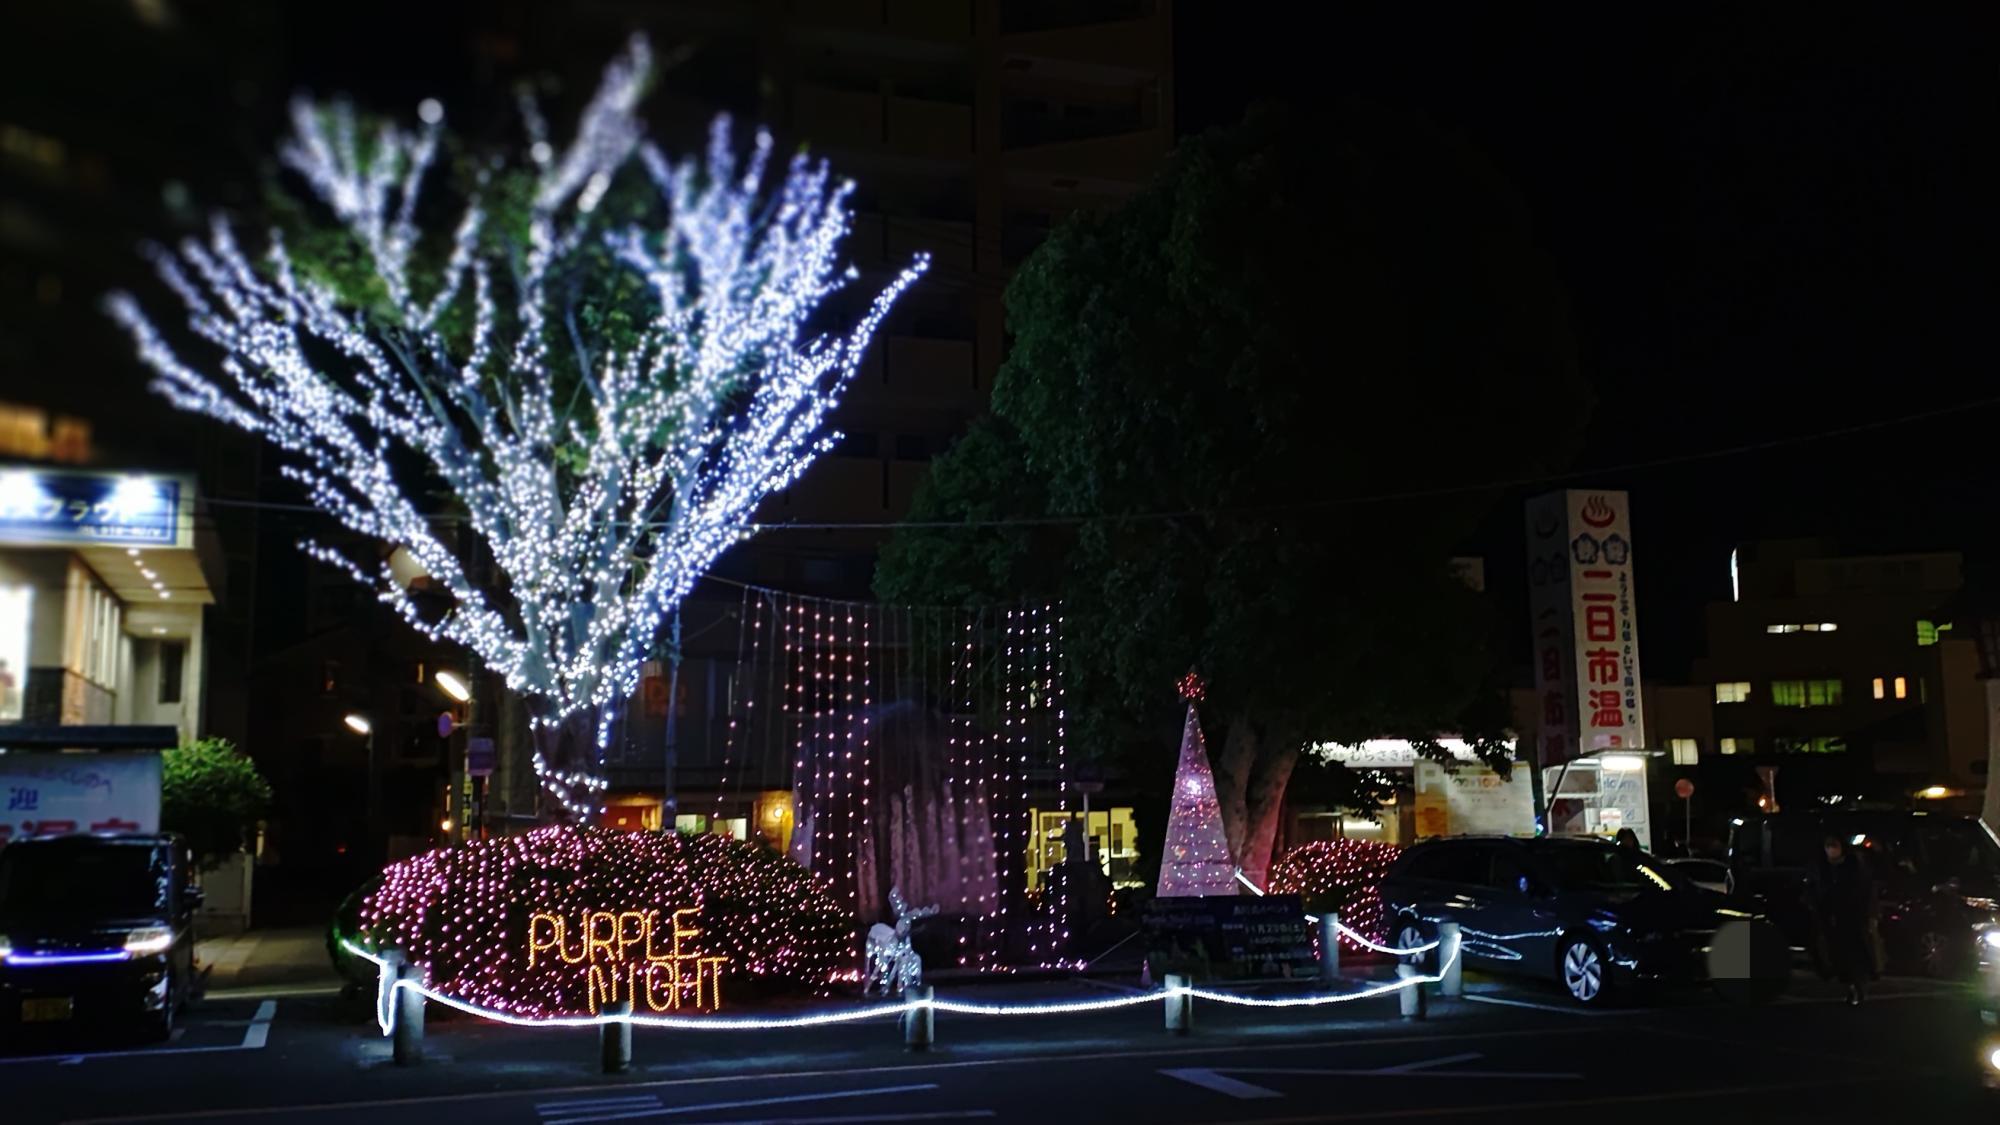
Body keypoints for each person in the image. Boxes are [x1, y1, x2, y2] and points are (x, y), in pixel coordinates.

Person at [1804, 833, 1875, 1005]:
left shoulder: (1852, 866)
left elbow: (1863, 890)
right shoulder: (1821, 867)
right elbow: (1814, 889)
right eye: (1828, 846)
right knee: (1836, 952)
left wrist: (1868, 914)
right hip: (1829, 916)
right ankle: (1848, 984)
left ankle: (1857, 985)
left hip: (1851, 915)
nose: (1831, 850)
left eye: (1834, 845)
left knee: (1854, 951)